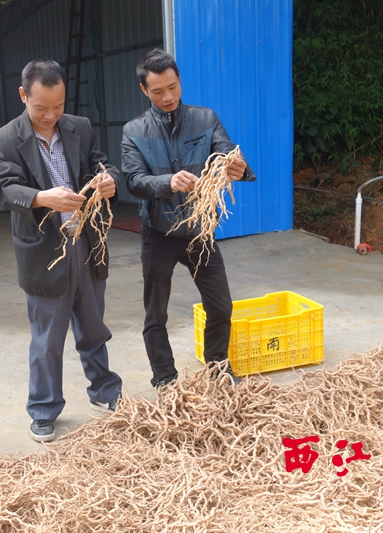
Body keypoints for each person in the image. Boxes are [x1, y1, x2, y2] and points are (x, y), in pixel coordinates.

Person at [0, 59, 122, 443]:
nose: (50, 116)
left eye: (58, 106)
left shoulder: (78, 127)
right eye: (41, 107)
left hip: (86, 240)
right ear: (23, 95)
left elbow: (100, 164)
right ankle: (44, 409)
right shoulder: (3, 140)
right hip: (44, 249)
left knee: (94, 323)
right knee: (47, 337)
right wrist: (43, 197)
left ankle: (105, 391)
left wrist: (107, 179)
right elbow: (7, 189)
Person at [121, 49, 257, 388]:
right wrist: (167, 182)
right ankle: (164, 378)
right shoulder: (134, 130)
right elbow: (134, 181)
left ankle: (218, 370)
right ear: (144, 90)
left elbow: (227, 153)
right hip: (159, 232)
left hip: (200, 229)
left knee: (221, 306)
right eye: (157, 91)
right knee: (156, 314)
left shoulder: (205, 119)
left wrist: (239, 168)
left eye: (173, 87)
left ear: (179, 81)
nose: (167, 97)